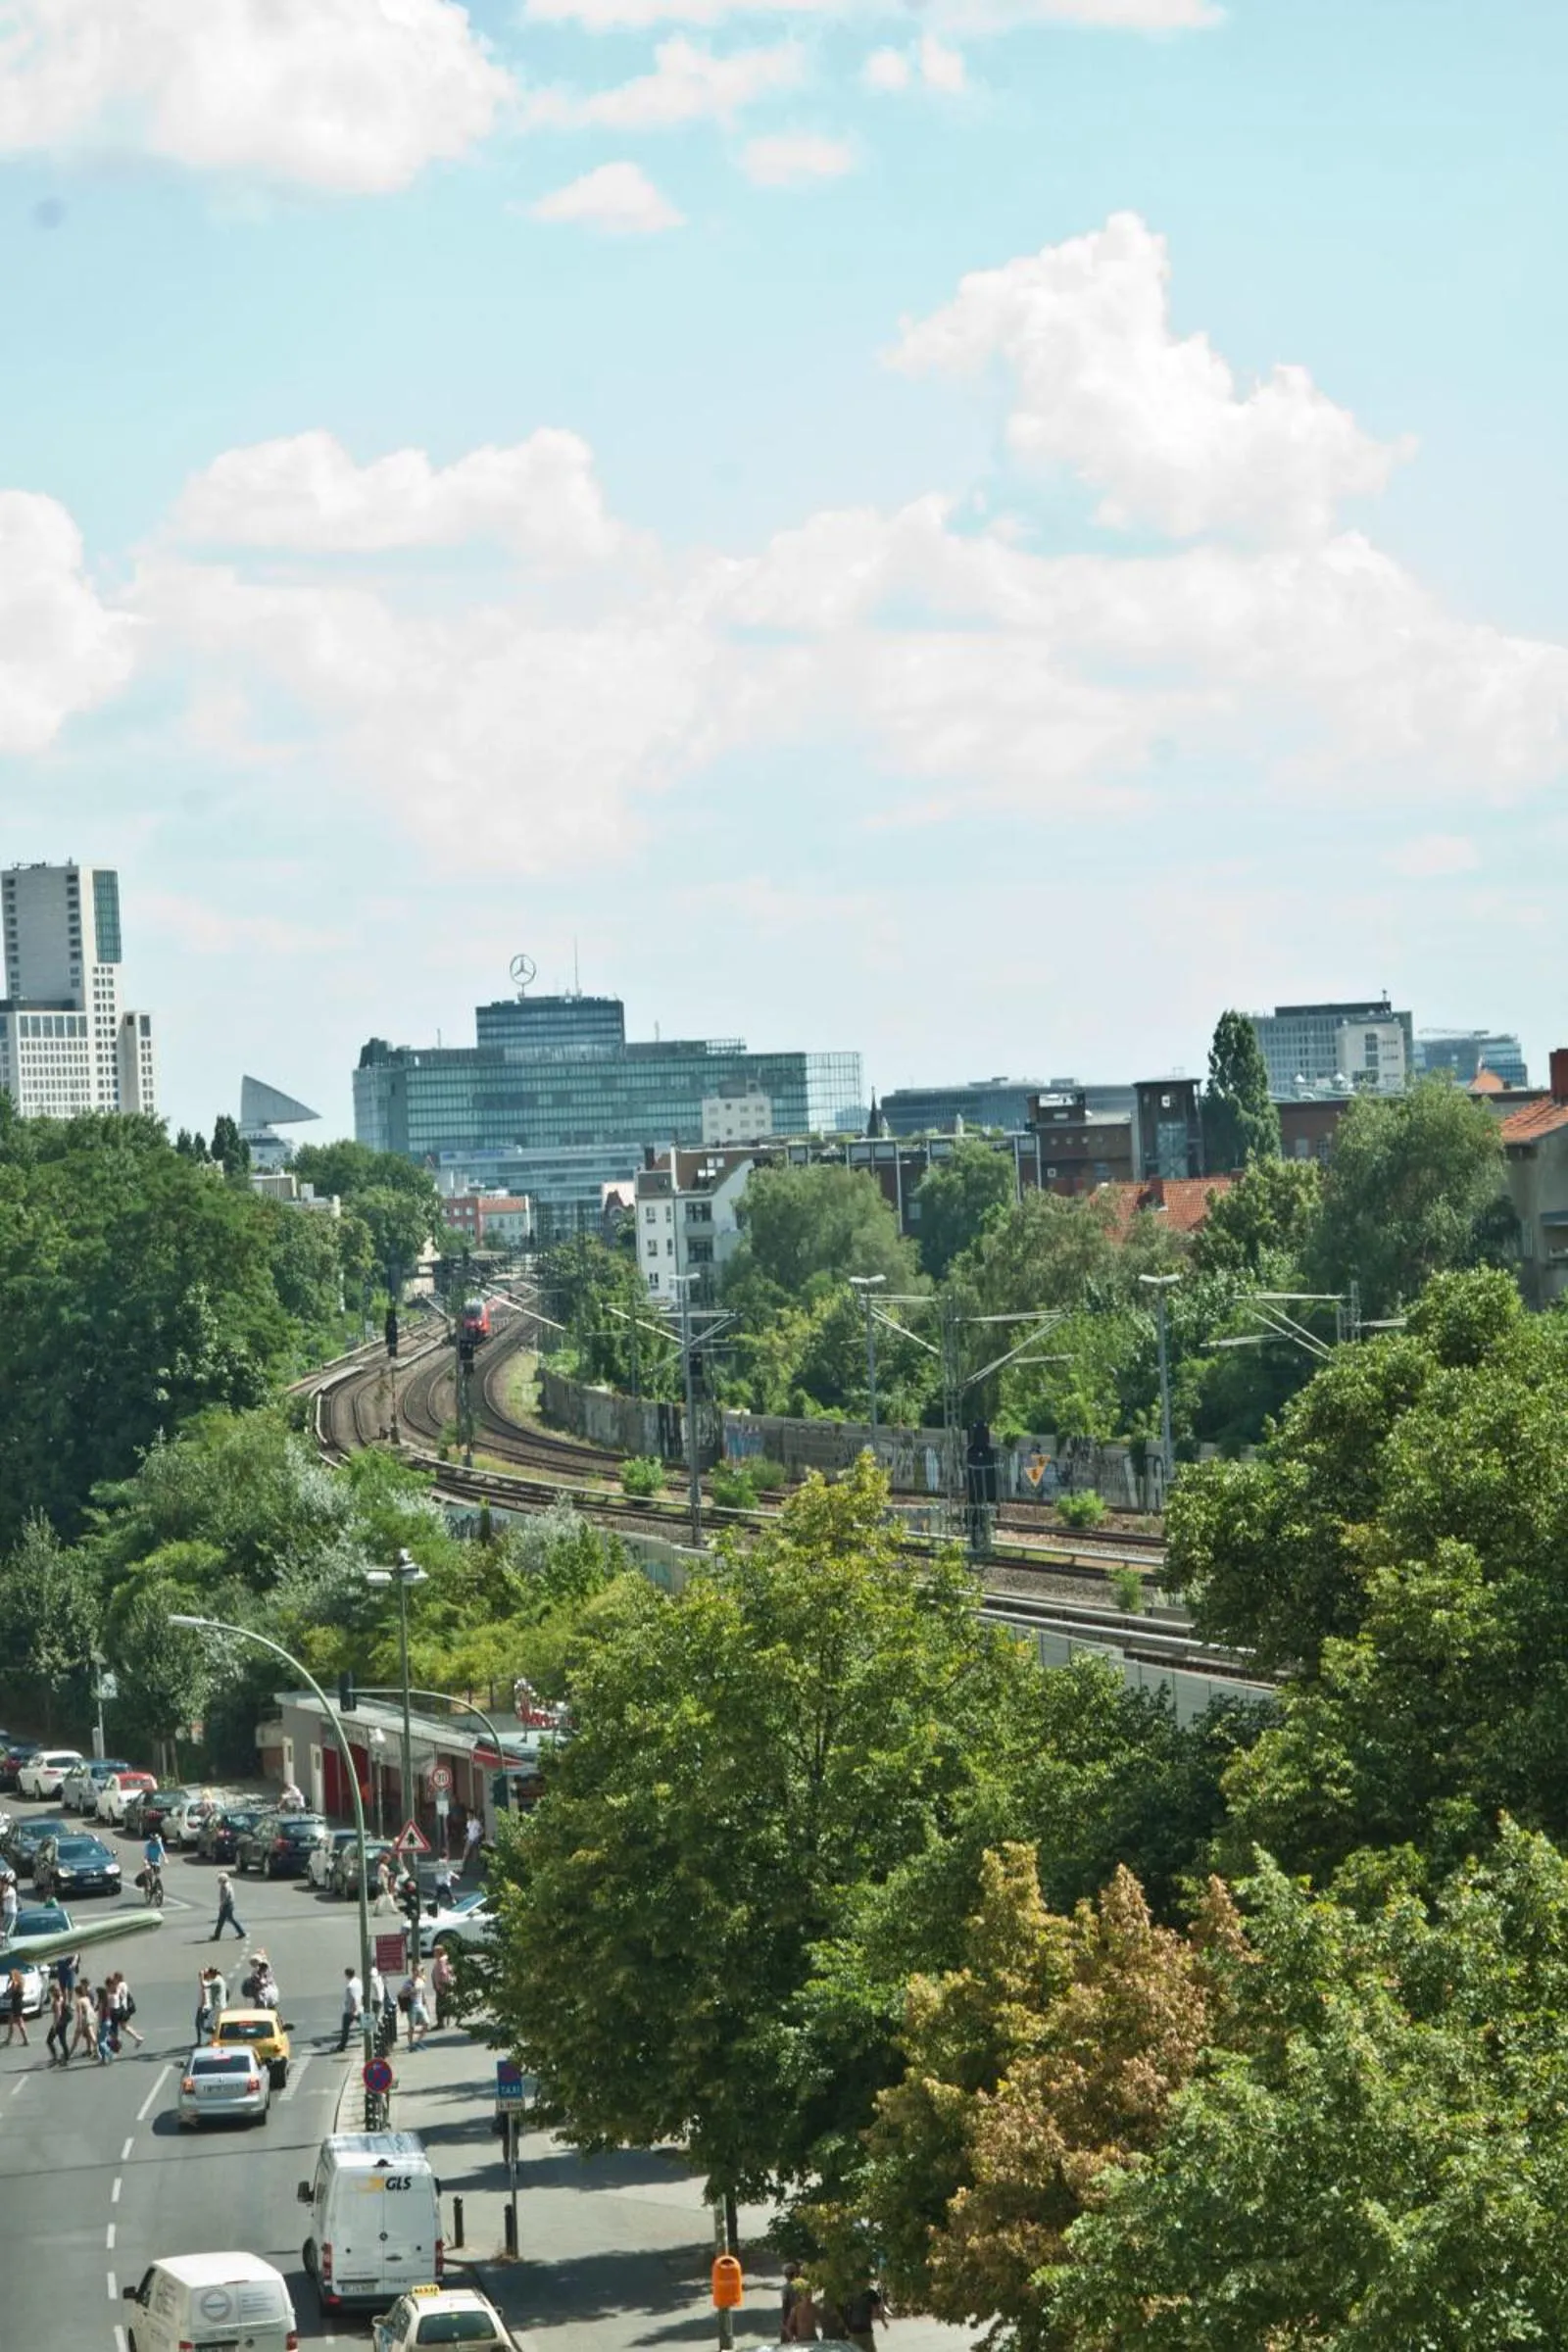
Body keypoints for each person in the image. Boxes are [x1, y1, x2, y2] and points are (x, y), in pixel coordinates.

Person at [841, 2285, 888, 2352]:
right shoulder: (872, 2298)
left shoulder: (854, 2300)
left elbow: (846, 2314)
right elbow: (877, 2312)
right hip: (865, 2331)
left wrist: (847, 2329)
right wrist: (884, 2323)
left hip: (853, 2332)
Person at [109, 1972, 144, 2051]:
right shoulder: (124, 1984)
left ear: (117, 1978)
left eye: (114, 1978)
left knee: (114, 2025)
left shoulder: (120, 1985)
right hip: (125, 2009)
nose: (113, 1979)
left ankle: (117, 2042)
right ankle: (137, 2038)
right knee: (123, 2026)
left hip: (120, 2009)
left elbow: (116, 1994)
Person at [211, 1870, 244, 1940]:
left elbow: (225, 1897)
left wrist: (221, 1905)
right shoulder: (227, 1884)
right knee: (221, 1921)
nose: (218, 1881)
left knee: (230, 1919)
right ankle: (216, 1936)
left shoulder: (225, 1886)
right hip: (227, 1905)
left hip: (227, 1905)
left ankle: (241, 1932)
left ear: (223, 1879)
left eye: (220, 1879)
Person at [196, 1964, 224, 2042]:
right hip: (213, 2006)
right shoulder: (216, 1981)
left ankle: (216, 2038)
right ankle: (215, 2038)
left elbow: (204, 1986)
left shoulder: (214, 1982)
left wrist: (201, 1976)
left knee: (206, 2026)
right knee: (210, 2024)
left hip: (210, 2007)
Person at [337, 1966, 364, 2052]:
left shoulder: (350, 1986)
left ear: (347, 1975)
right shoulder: (358, 1981)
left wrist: (353, 2011)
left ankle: (342, 2046)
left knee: (345, 2029)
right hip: (360, 2008)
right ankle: (376, 2037)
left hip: (351, 2010)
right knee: (366, 2025)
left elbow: (353, 1998)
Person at [44, 1979, 70, 2065]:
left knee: (49, 2040)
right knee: (62, 2040)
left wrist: (55, 2026)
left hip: (59, 2023)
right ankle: (65, 2056)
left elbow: (58, 2014)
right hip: (63, 2022)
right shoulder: (61, 1998)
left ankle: (57, 2057)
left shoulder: (56, 2002)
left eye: (51, 1993)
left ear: (53, 1992)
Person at [2, 1967, 28, 2047]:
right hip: (18, 2003)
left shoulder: (15, 1983)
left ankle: (25, 2040)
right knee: (11, 2022)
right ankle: (9, 2039)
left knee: (20, 2022)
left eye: (10, 1975)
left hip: (16, 2005)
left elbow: (9, 1993)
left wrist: (8, 1983)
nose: (9, 1977)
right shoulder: (20, 1981)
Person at [430, 1945, 456, 2029]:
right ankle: (446, 2020)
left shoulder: (441, 1961)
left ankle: (440, 2023)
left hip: (441, 1987)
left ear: (439, 1952)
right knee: (444, 2003)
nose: (433, 1953)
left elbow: (443, 1974)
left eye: (435, 1951)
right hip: (443, 1986)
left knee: (439, 2005)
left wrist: (442, 1987)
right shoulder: (444, 1959)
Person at [464, 1809, 484, 1878]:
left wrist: (477, 1837)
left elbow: (482, 1831)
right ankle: (463, 1869)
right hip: (469, 1840)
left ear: (472, 1815)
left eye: (469, 1815)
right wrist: (466, 1835)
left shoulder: (476, 1822)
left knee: (476, 1857)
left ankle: (483, 1866)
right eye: (467, 1815)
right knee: (465, 1854)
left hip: (475, 1841)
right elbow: (469, 1831)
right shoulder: (468, 1822)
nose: (468, 1816)